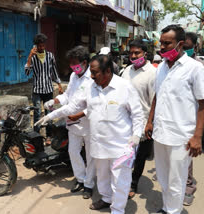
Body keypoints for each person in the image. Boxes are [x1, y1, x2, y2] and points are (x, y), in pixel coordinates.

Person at [36, 55, 144, 214]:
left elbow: (137, 114)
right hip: (99, 142)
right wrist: (51, 115)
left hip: (121, 144)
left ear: (108, 71)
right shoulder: (91, 87)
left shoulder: (124, 87)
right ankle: (106, 198)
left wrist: (136, 135)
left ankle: (118, 210)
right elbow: (73, 106)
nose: (91, 76)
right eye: (91, 73)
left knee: (120, 180)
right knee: (102, 176)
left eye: (95, 73)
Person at [145, 25, 204, 214]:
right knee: (164, 178)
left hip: (181, 136)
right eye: (161, 42)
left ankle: (173, 211)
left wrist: (197, 137)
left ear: (180, 44)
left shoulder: (195, 69)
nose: (162, 47)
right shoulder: (161, 68)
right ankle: (167, 208)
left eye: (167, 43)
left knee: (177, 179)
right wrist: (150, 121)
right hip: (160, 133)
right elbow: (157, 96)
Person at [44, 46, 95, 199]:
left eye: (75, 64)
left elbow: (75, 105)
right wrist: (54, 100)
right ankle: (80, 179)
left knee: (91, 156)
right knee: (73, 152)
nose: (73, 67)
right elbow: (67, 96)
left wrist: (53, 114)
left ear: (84, 62)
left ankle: (89, 185)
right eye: (71, 64)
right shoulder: (74, 76)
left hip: (88, 123)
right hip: (73, 124)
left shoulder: (92, 78)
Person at [121, 39, 156, 199]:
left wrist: (149, 123)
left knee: (140, 156)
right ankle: (123, 181)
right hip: (125, 121)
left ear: (145, 54)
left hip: (143, 123)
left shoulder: (152, 73)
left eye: (137, 53)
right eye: (131, 53)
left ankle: (133, 183)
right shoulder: (127, 70)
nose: (134, 56)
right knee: (126, 155)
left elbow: (154, 101)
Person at [182, 31, 204, 206]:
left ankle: (187, 187)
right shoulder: (172, 63)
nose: (183, 49)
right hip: (177, 115)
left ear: (194, 46)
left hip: (194, 116)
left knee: (187, 152)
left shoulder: (201, 66)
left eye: (186, 47)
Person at [25, 33, 63, 139]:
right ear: (36, 46)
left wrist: (59, 84)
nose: (41, 48)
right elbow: (27, 72)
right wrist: (29, 56)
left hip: (48, 89)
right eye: (39, 46)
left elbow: (54, 71)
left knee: (48, 113)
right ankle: (36, 137)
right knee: (37, 113)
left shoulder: (50, 56)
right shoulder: (33, 57)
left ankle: (49, 136)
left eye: (43, 45)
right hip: (37, 90)